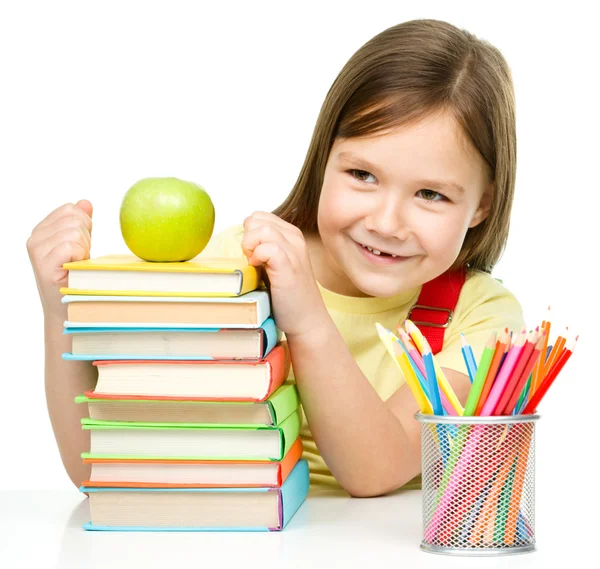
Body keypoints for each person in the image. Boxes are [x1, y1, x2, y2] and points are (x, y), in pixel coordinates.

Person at [27, 19, 524, 497]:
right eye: (363, 176)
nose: (387, 223)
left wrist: (307, 321)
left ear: (482, 204)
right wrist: (60, 313)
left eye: (432, 195)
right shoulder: (233, 273)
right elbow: (101, 465)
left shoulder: (484, 321)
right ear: (323, 158)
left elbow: (375, 471)